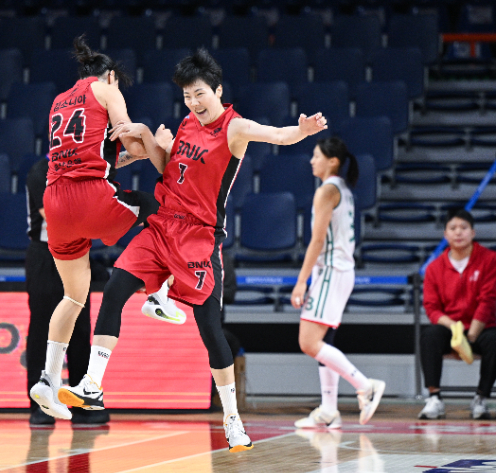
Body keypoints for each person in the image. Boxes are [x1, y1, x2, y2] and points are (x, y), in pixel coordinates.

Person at [56, 48, 328, 452]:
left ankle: (232, 419)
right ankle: (93, 384)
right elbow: (167, 169)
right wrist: (147, 137)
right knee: (113, 292)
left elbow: (276, 134)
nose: (193, 103)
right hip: (164, 223)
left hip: (200, 237)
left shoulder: (234, 128)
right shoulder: (186, 123)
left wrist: (301, 132)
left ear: (218, 90)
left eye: (200, 93)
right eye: (187, 96)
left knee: (209, 330)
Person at [29, 36, 181, 420]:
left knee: (74, 296)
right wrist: (156, 141)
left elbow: (102, 158)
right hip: (89, 196)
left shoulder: (58, 101)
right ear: (110, 75)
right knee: (155, 205)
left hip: (56, 203)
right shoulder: (107, 90)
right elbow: (128, 138)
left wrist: (135, 149)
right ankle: (159, 293)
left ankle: (47, 379)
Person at [291, 137, 385, 429]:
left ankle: (365, 385)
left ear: (332, 160)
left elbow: (317, 241)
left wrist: (301, 281)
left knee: (308, 342)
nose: (311, 160)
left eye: (316, 156)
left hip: (331, 270)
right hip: (339, 271)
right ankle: (329, 409)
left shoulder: (327, 191)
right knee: (323, 341)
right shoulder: (342, 188)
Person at [25, 155, 110, 425]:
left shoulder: (84, 170)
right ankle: (41, 405)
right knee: (41, 329)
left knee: (80, 327)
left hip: (76, 252)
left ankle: (79, 401)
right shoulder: (40, 171)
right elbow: (53, 214)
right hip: (44, 255)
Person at [419, 208, 496, 420]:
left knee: (494, 340)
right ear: (445, 234)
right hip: (451, 328)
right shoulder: (434, 268)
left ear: (473, 232)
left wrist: (470, 337)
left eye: (464, 228)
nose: (458, 232)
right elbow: (432, 308)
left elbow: (488, 300)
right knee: (429, 335)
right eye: (453, 228)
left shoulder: (490, 260)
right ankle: (434, 398)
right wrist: (455, 331)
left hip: (481, 328)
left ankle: (481, 398)